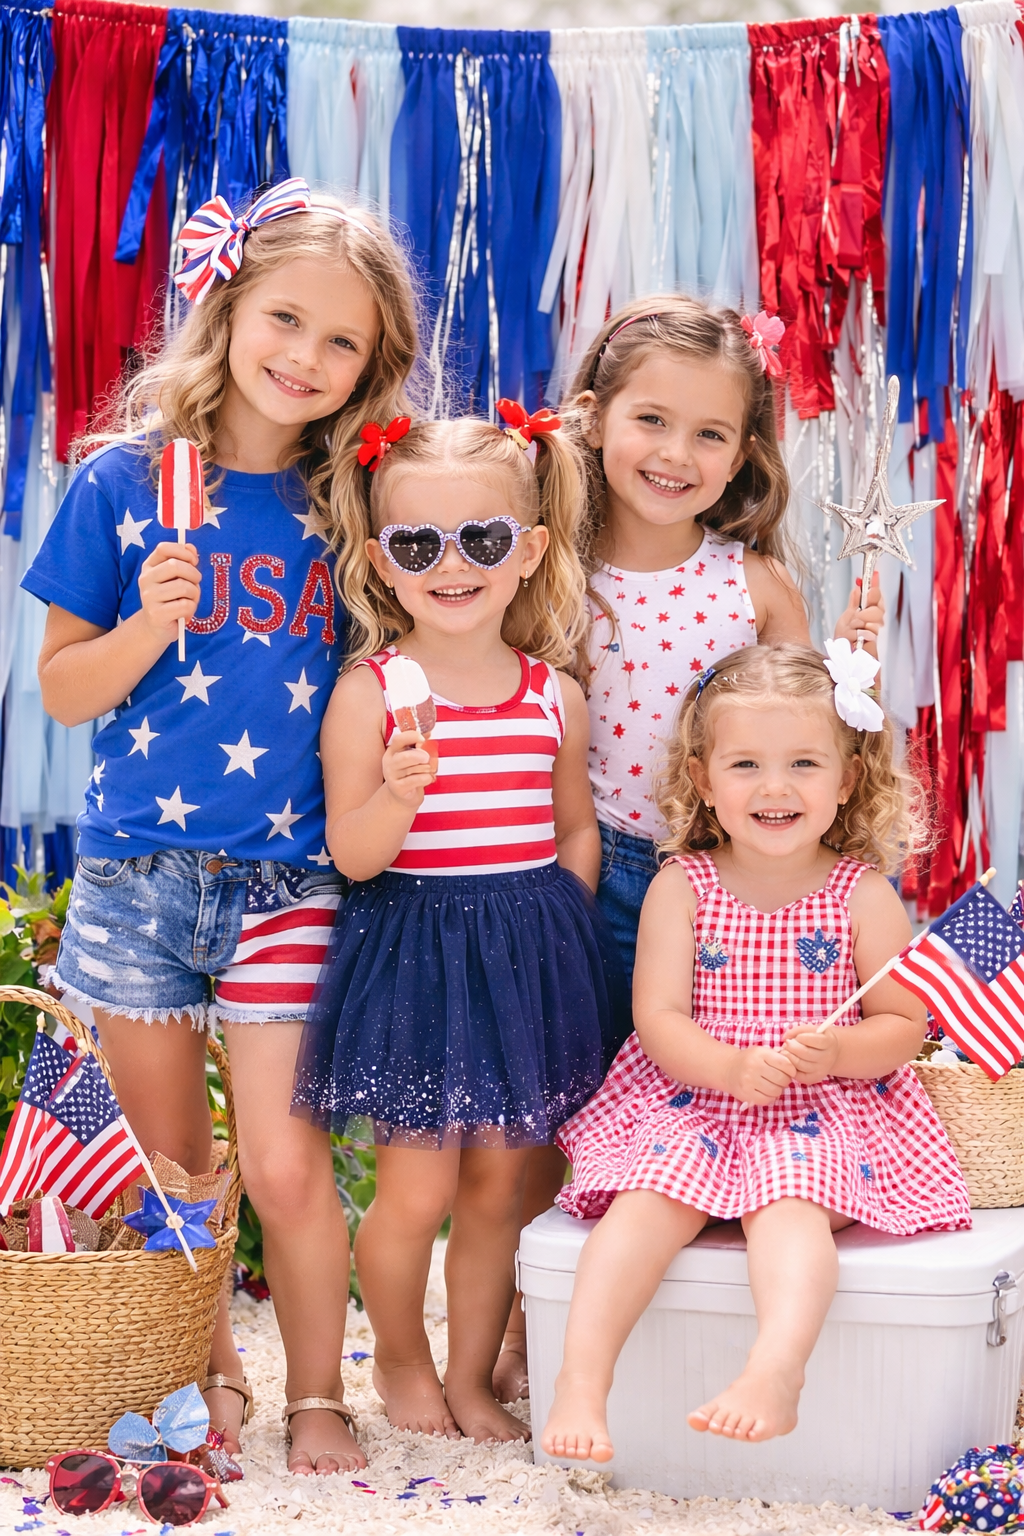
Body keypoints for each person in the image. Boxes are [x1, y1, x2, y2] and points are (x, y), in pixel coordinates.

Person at [24, 178, 420, 1476]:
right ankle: (203, 1377)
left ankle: (316, 1390)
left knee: (288, 1167)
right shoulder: (120, 481)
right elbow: (65, 687)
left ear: (374, 364)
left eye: (342, 340)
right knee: (171, 1170)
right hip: (138, 875)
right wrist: (148, 619)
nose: (305, 356)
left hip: (289, 877)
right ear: (229, 303)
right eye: (285, 319)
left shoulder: (357, 502)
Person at [493, 295, 888, 1405]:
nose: (675, 454)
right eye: (651, 421)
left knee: (701, 1106)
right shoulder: (545, 567)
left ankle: (711, 1322)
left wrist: (850, 672)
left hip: (718, 893)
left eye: (710, 434)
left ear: (744, 454)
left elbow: (806, 724)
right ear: (591, 417)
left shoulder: (750, 584)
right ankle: (537, 1316)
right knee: (560, 1108)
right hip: (576, 871)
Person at [541, 642, 971, 1462]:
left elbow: (903, 1024)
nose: (775, 788)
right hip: (699, 1093)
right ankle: (582, 1382)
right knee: (646, 1203)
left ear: (846, 779)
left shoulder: (861, 890)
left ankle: (777, 1367)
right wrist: (732, 1068)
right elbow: (659, 1019)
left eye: (804, 763)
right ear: (704, 780)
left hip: (825, 1109)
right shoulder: (684, 883)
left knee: (790, 1203)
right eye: (745, 764)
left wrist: (839, 1050)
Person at [290, 408, 625, 1445]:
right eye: (417, 544)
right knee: (416, 1188)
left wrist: (556, 923)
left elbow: (576, 827)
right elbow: (352, 853)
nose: (451, 566)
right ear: (382, 563)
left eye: (479, 540)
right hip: (419, 958)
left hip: (525, 958)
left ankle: (473, 1376)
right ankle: (399, 1354)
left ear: (525, 553)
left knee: (497, 1191)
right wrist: (397, 792)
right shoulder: (371, 695)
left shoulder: (554, 695)